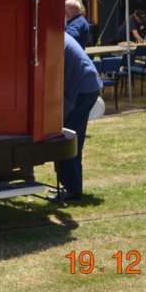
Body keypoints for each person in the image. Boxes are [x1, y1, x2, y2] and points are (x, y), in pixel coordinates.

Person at [51, 32, 103, 203]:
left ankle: (72, 189)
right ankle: (69, 185)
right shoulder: (57, 35)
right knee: (69, 136)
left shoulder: (52, 38)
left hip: (82, 89)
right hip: (87, 86)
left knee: (67, 137)